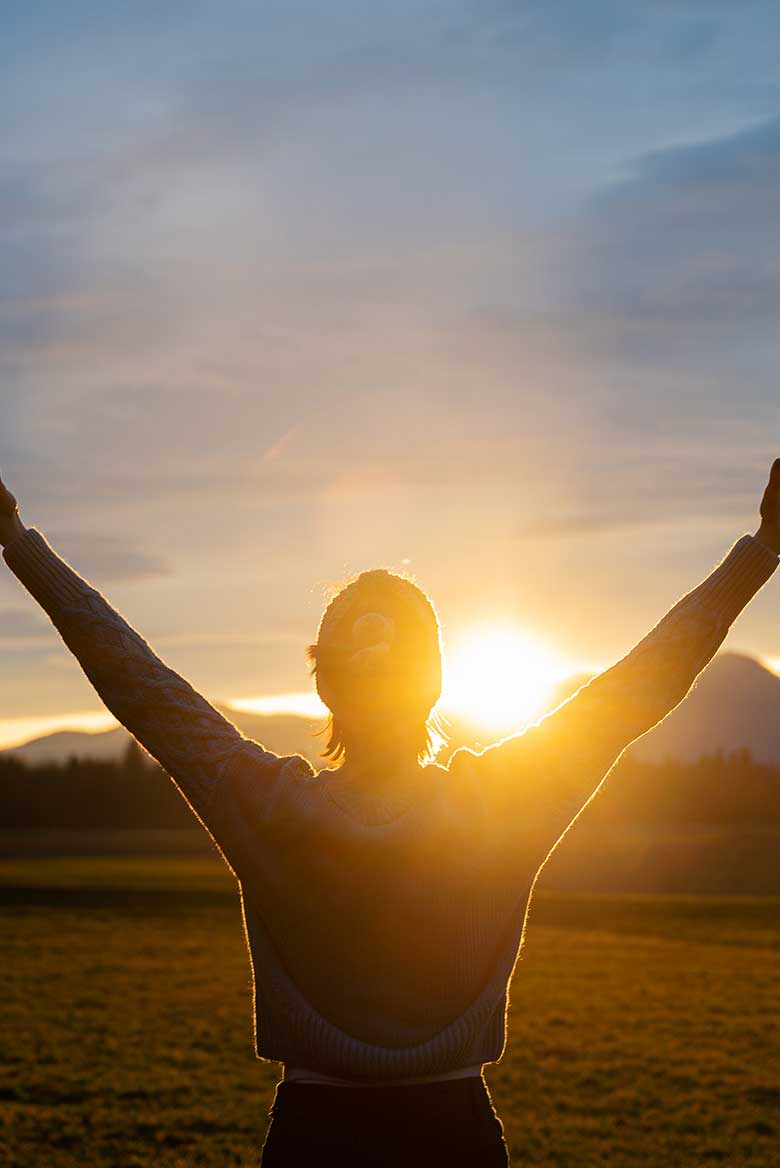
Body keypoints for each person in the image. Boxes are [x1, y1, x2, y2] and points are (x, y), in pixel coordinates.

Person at [1, 462, 779, 1167]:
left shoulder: (265, 807)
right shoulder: (499, 804)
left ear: (324, 688)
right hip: (456, 1136)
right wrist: (763, 550)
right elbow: (641, 684)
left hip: (312, 1136)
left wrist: (15, 542)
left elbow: (135, 678)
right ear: (434, 683)